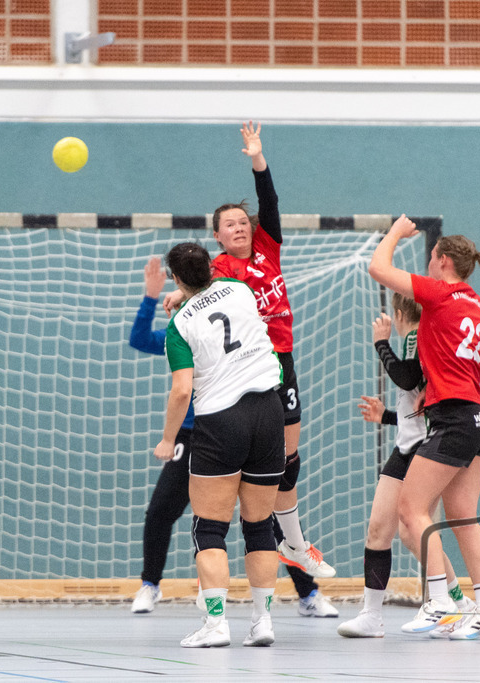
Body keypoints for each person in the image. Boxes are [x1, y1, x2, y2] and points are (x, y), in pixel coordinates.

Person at [165, 121, 334, 581]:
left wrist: (258, 160)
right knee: (265, 463)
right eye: (229, 225)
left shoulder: (267, 246)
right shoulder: (218, 270)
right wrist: (178, 297)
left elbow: (270, 203)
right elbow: (200, 294)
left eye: (242, 222)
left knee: (290, 460)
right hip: (249, 372)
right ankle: (277, 550)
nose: (239, 228)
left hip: (283, 357)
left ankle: (294, 545)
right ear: (217, 236)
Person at [131, 257, 337, 618]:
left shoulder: (214, 321)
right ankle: (150, 584)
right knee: (164, 510)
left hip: (230, 426)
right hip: (198, 434)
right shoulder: (182, 331)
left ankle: (307, 593)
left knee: (263, 518)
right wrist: (151, 297)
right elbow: (141, 339)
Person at [367, 216, 480, 640]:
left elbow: (379, 268)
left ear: (443, 261)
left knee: (412, 509)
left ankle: (440, 601)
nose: (427, 266)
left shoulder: (440, 293)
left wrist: (394, 233)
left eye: (430, 259)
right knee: (463, 516)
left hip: (453, 418)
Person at [155, 242, 285, 648]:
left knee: (209, 527)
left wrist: (167, 439)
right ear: (211, 267)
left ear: (175, 279)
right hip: (269, 409)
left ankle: (215, 625)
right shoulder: (240, 289)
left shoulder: (179, 327)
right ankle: (262, 622)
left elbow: (181, 391)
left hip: (220, 420)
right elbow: (221, 288)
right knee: (259, 525)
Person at [337, 294, 472, 639]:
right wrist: (386, 416)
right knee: (385, 530)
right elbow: (416, 404)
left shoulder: (415, 335)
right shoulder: (422, 339)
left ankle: (453, 603)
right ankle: (373, 615)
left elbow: (406, 377)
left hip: (426, 448)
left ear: (399, 315)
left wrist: (381, 344)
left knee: (412, 531)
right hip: (407, 445)